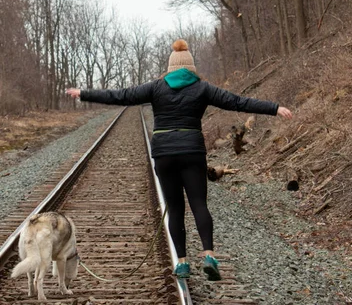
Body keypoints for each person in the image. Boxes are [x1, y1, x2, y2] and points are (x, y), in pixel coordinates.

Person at [66, 39, 293, 281]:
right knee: (199, 204)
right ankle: (208, 256)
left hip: (164, 154)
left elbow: (121, 96)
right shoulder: (203, 88)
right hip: (192, 152)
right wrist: (274, 108)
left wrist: (84, 93)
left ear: (171, 67)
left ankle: (183, 263)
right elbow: (238, 101)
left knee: (174, 208)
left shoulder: (155, 87)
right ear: (191, 67)